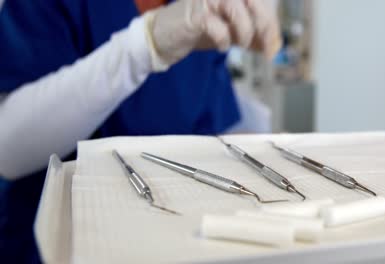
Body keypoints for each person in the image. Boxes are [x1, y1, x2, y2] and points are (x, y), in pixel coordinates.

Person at [0, 0, 281, 262]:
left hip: (172, 243)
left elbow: (211, 122)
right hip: (55, 248)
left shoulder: (198, 8)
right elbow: (8, 149)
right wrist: (144, 45)